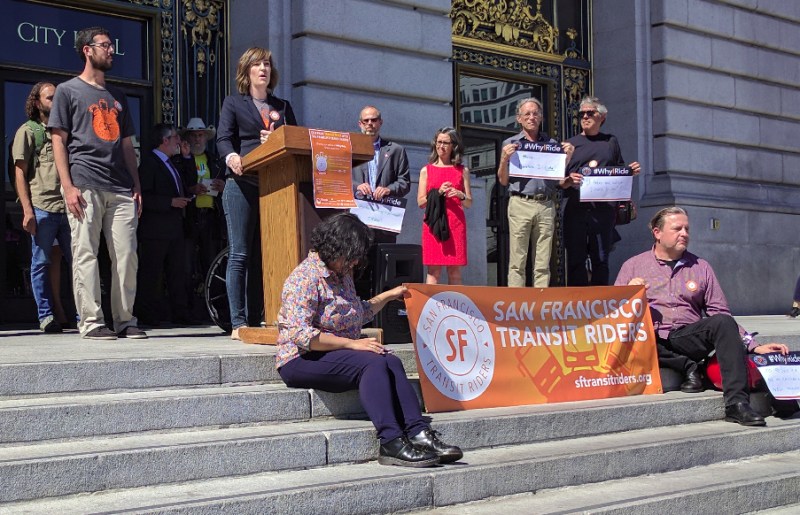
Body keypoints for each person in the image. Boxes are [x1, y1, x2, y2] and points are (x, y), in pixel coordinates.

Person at [276, 213, 462, 467]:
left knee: (391, 361)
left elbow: (358, 314)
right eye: (351, 256)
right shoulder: (304, 278)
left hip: (335, 353)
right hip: (301, 358)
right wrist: (353, 344)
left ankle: (418, 433)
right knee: (372, 363)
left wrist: (390, 295)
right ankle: (391, 441)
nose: (353, 263)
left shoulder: (342, 275)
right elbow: (301, 335)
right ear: (335, 247)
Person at [615, 206, 789, 426]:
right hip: (653, 339)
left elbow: (720, 311)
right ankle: (689, 366)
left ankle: (736, 404)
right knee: (639, 340)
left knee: (722, 322)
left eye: (687, 228)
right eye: (677, 228)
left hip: (688, 336)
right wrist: (629, 294)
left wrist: (753, 346)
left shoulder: (701, 266)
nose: (684, 233)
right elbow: (616, 316)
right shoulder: (633, 266)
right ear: (657, 233)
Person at [48, 26, 147, 340]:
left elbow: (128, 145)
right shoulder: (67, 91)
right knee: (85, 253)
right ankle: (91, 321)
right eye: (105, 45)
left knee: (126, 254)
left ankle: (125, 320)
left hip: (120, 186)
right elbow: (58, 141)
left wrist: (137, 185)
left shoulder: (118, 95)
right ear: (87, 50)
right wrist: (68, 185)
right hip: (85, 183)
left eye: (112, 45)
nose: (112, 50)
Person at [216, 47, 297, 341]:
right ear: (247, 71)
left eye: (266, 64)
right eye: (257, 64)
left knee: (269, 255)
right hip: (242, 183)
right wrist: (231, 157)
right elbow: (223, 139)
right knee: (240, 253)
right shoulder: (234, 104)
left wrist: (277, 139)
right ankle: (238, 323)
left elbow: (295, 139)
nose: (263, 68)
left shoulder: (283, 106)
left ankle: (266, 317)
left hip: (274, 186)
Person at [11, 81, 72, 333]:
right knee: (41, 262)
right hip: (43, 208)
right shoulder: (28, 131)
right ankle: (45, 316)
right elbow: (19, 173)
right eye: (50, 98)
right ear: (37, 103)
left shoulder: (65, 131)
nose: (55, 101)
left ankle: (85, 315)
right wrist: (27, 210)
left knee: (79, 262)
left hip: (69, 208)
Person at [497, 98, 574, 288]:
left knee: (543, 261)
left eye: (535, 113)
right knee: (518, 259)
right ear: (519, 119)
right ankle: (516, 304)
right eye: (527, 114)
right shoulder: (511, 143)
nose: (532, 117)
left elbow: (558, 180)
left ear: (541, 117)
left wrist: (568, 157)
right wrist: (504, 159)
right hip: (520, 202)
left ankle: (539, 304)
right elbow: (503, 180)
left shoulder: (552, 144)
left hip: (546, 203)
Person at [563, 96, 641, 286]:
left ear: (602, 117)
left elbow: (619, 171)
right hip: (576, 210)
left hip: (603, 212)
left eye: (591, 113)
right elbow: (558, 181)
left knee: (601, 259)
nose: (585, 117)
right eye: (582, 114)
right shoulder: (569, 144)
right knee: (576, 261)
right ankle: (576, 305)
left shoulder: (610, 142)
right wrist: (568, 180)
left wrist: (631, 172)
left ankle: (599, 308)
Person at [135, 123, 196, 326]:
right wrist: (170, 202)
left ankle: (180, 314)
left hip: (175, 228)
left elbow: (188, 183)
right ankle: (148, 314)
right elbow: (144, 196)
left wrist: (187, 158)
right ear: (165, 140)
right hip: (156, 229)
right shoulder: (150, 163)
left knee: (177, 272)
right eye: (175, 137)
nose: (179, 141)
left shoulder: (173, 163)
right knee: (152, 273)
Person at [173, 117, 225, 304]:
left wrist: (222, 186)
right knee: (186, 264)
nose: (197, 139)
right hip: (189, 218)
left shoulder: (215, 160)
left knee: (211, 262)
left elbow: (225, 185)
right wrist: (191, 189)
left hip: (210, 218)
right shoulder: (180, 160)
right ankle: (187, 306)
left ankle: (212, 305)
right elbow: (178, 185)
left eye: (201, 135)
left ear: (206, 138)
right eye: (194, 136)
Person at [417, 127, 472, 285]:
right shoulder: (426, 170)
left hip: (455, 223)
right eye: (438, 142)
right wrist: (437, 193)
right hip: (434, 224)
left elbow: (468, 202)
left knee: (454, 271)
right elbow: (420, 202)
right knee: (433, 271)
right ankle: (431, 309)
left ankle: (457, 308)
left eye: (445, 143)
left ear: (453, 145)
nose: (441, 146)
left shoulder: (462, 171)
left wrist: (460, 194)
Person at [351, 105, 410, 243]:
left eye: (374, 120)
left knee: (383, 262)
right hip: (357, 218)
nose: (370, 124)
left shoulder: (396, 150)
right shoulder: (350, 149)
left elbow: (405, 182)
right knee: (357, 262)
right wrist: (357, 186)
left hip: (384, 219)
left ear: (380, 122)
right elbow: (340, 178)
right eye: (366, 121)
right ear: (360, 123)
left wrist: (388, 189)